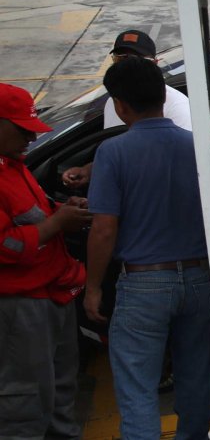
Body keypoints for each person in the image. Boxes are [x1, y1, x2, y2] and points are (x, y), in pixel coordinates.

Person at [85, 58, 210, 440]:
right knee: (196, 377)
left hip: (143, 286)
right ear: (163, 96)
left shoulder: (113, 152)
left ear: (120, 106)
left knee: (137, 386)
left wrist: (93, 288)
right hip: (200, 280)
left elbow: (104, 229)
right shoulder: (197, 146)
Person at [0, 83, 92, 440]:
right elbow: (7, 244)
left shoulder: (13, 165)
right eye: (22, 129)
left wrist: (61, 211)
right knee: (23, 401)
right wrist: (58, 223)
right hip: (20, 307)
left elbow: (31, 214)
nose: (29, 138)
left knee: (59, 392)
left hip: (53, 295)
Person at [61, 29, 191, 189]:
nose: (127, 66)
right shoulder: (112, 103)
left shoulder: (179, 108)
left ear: (155, 64)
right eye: (120, 59)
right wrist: (89, 170)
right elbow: (120, 155)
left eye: (134, 59)